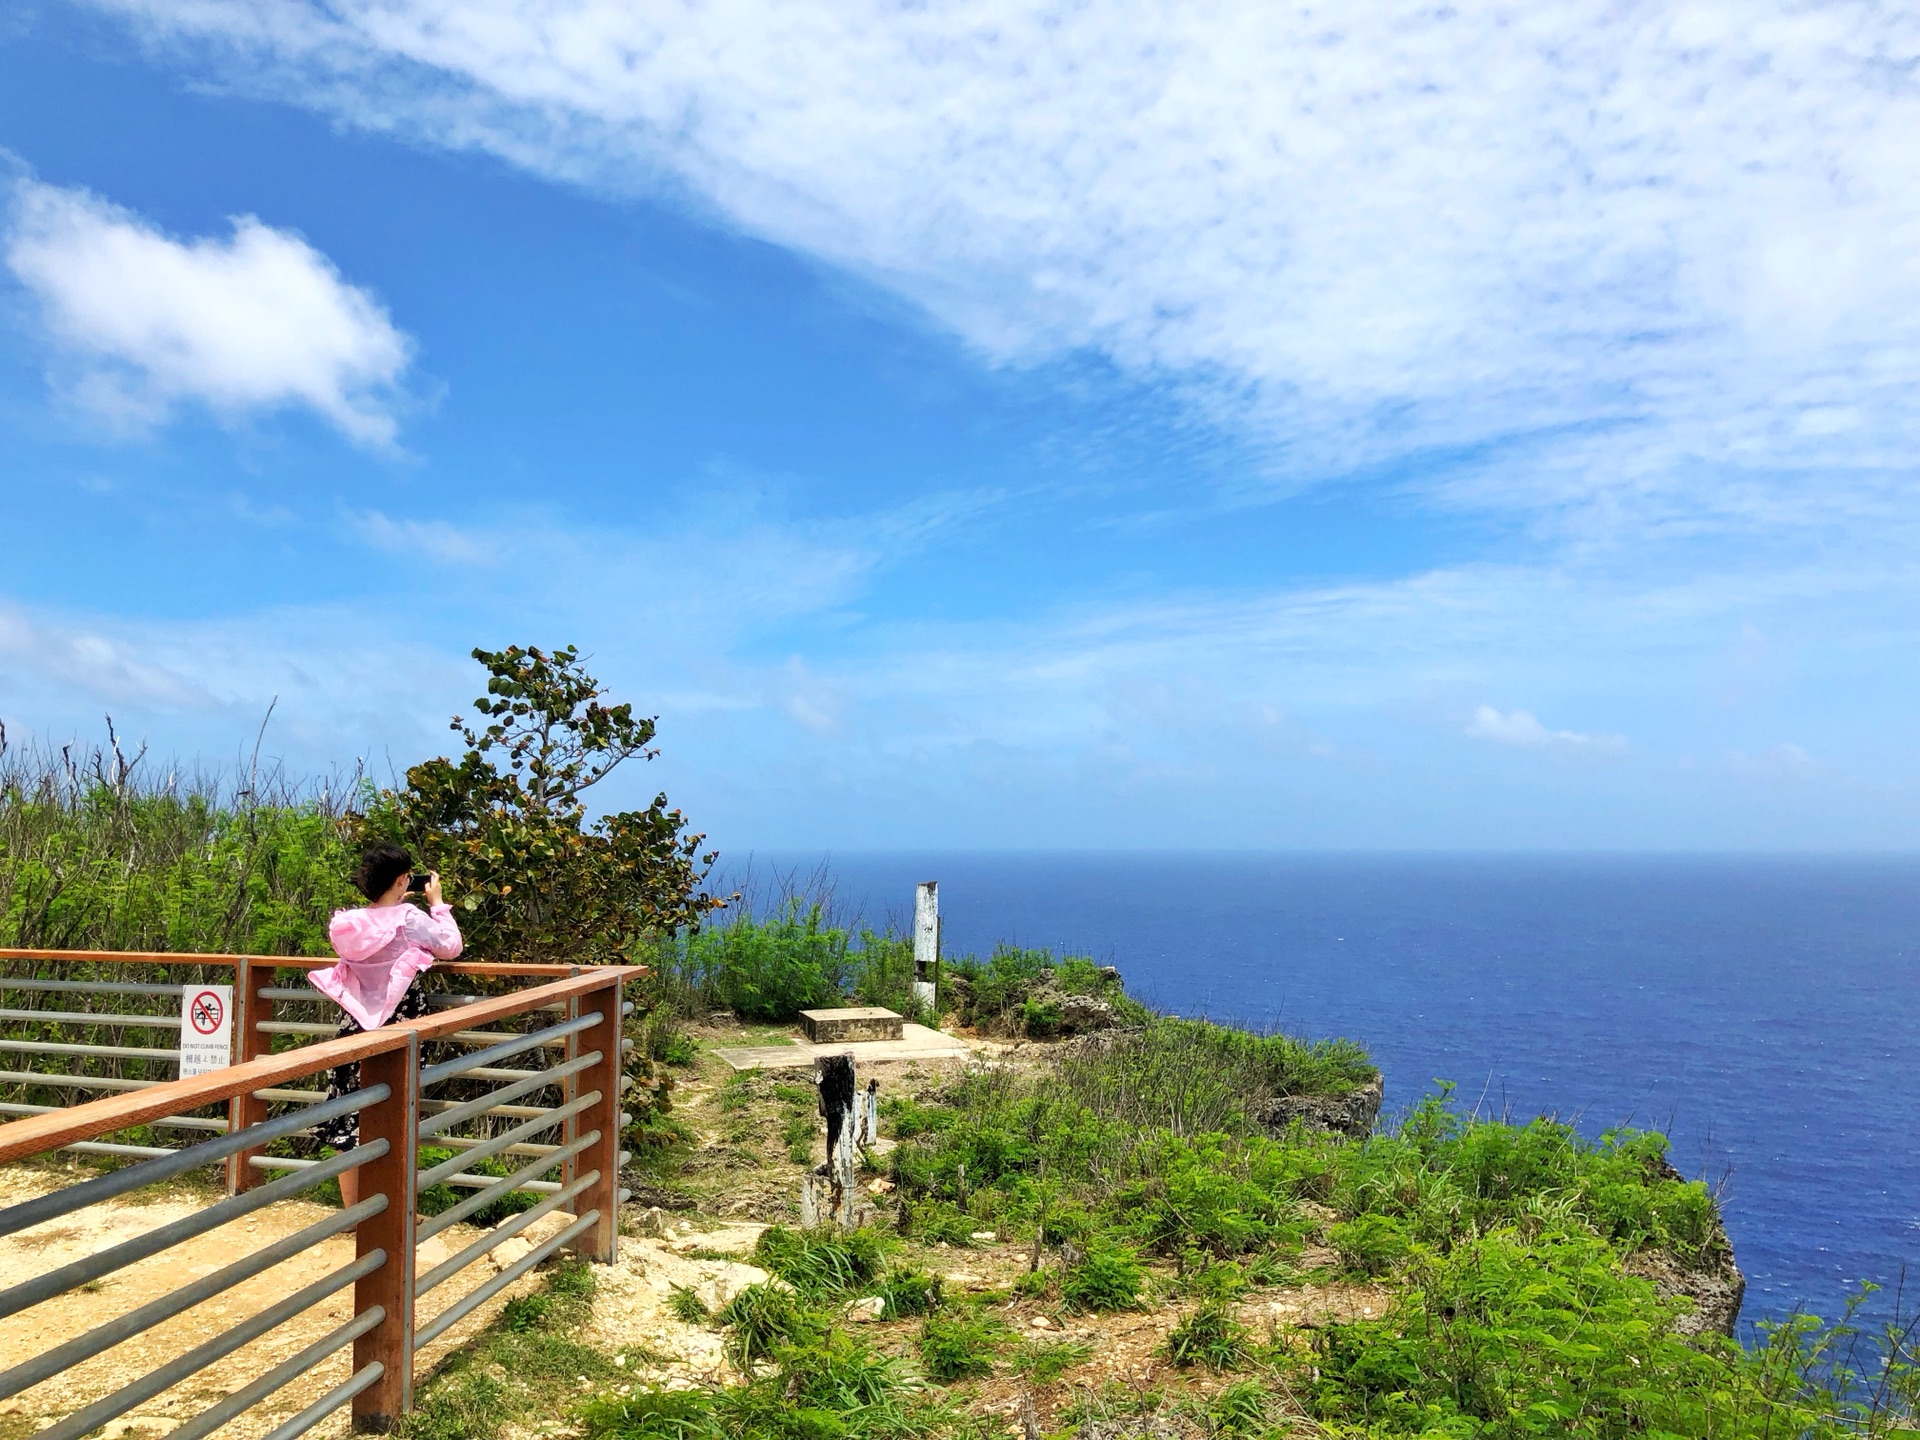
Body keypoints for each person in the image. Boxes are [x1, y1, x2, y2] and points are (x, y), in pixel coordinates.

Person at [309, 840, 463, 1208]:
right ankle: (389, 1210)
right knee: (394, 1115)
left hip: (355, 1025)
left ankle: (354, 1212)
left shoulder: (350, 924)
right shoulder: (408, 918)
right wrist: (438, 904)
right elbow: (451, 946)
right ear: (400, 881)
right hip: (401, 1024)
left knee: (348, 1115)